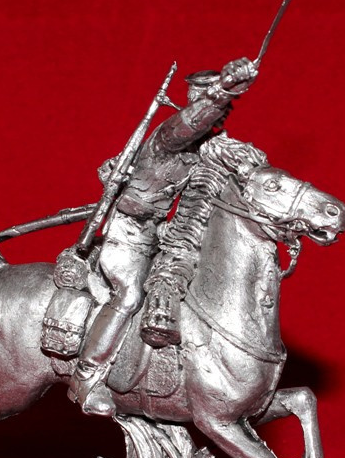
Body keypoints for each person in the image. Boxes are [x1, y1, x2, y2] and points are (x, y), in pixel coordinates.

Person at [68, 57, 258, 415]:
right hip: (127, 232)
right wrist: (224, 89)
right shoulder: (168, 138)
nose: (223, 114)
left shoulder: (202, 154)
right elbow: (191, 123)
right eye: (216, 107)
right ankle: (86, 377)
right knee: (129, 295)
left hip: (157, 235)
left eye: (227, 109)